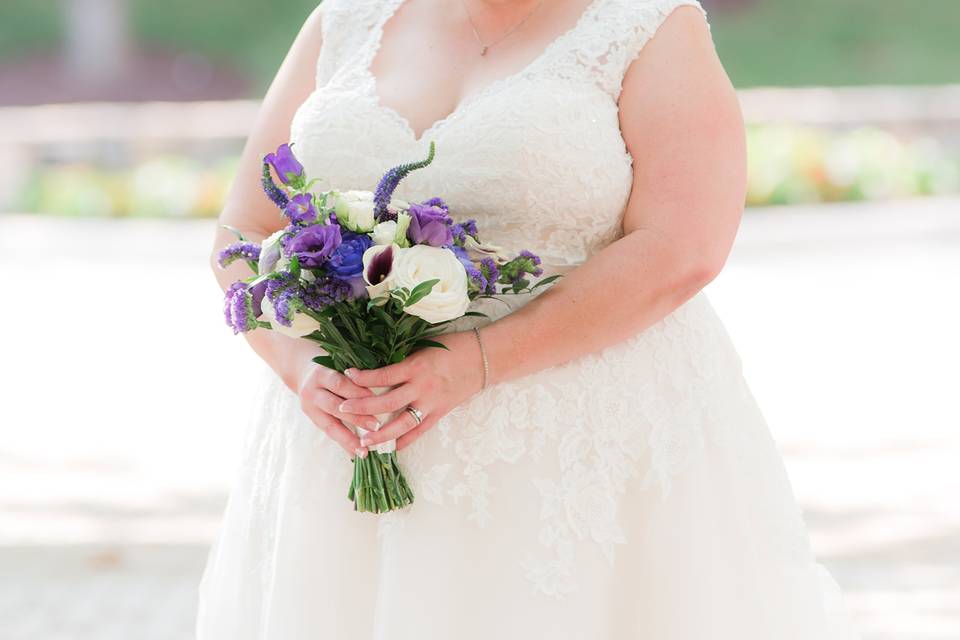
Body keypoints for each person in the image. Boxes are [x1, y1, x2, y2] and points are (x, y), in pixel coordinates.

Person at [197, 0, 860, 637]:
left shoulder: (649, 27)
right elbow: (244, 228)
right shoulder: (344, 22)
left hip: (576, 461)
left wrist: (479, 363)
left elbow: (684, 246)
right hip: (341, 449)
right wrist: (299, 363)